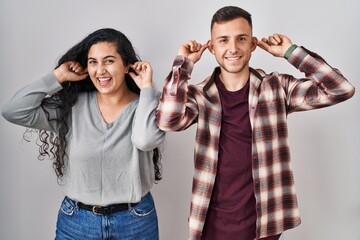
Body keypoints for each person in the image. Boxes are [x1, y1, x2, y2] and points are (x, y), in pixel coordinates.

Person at [156, 6, 355, 240]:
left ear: (252, 44)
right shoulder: (199, 94)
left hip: (264, 221)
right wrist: (184, 65)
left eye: (241, 39)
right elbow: (168, 121)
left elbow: (341, 88)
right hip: (210, 219)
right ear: (212, 47)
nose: (233, 48)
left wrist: (291, 52)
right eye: (223, 40)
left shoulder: (277, 87)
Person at [2, 28, 165, 239]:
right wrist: (58, 76)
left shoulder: (148, 103)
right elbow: (13, 110)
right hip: (77, 223)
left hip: (135, 222)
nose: (100, 70)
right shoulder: (72, 106)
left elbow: (145, 140)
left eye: (108, 61)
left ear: (126, 66)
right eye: (93, 62)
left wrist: (147, 90)